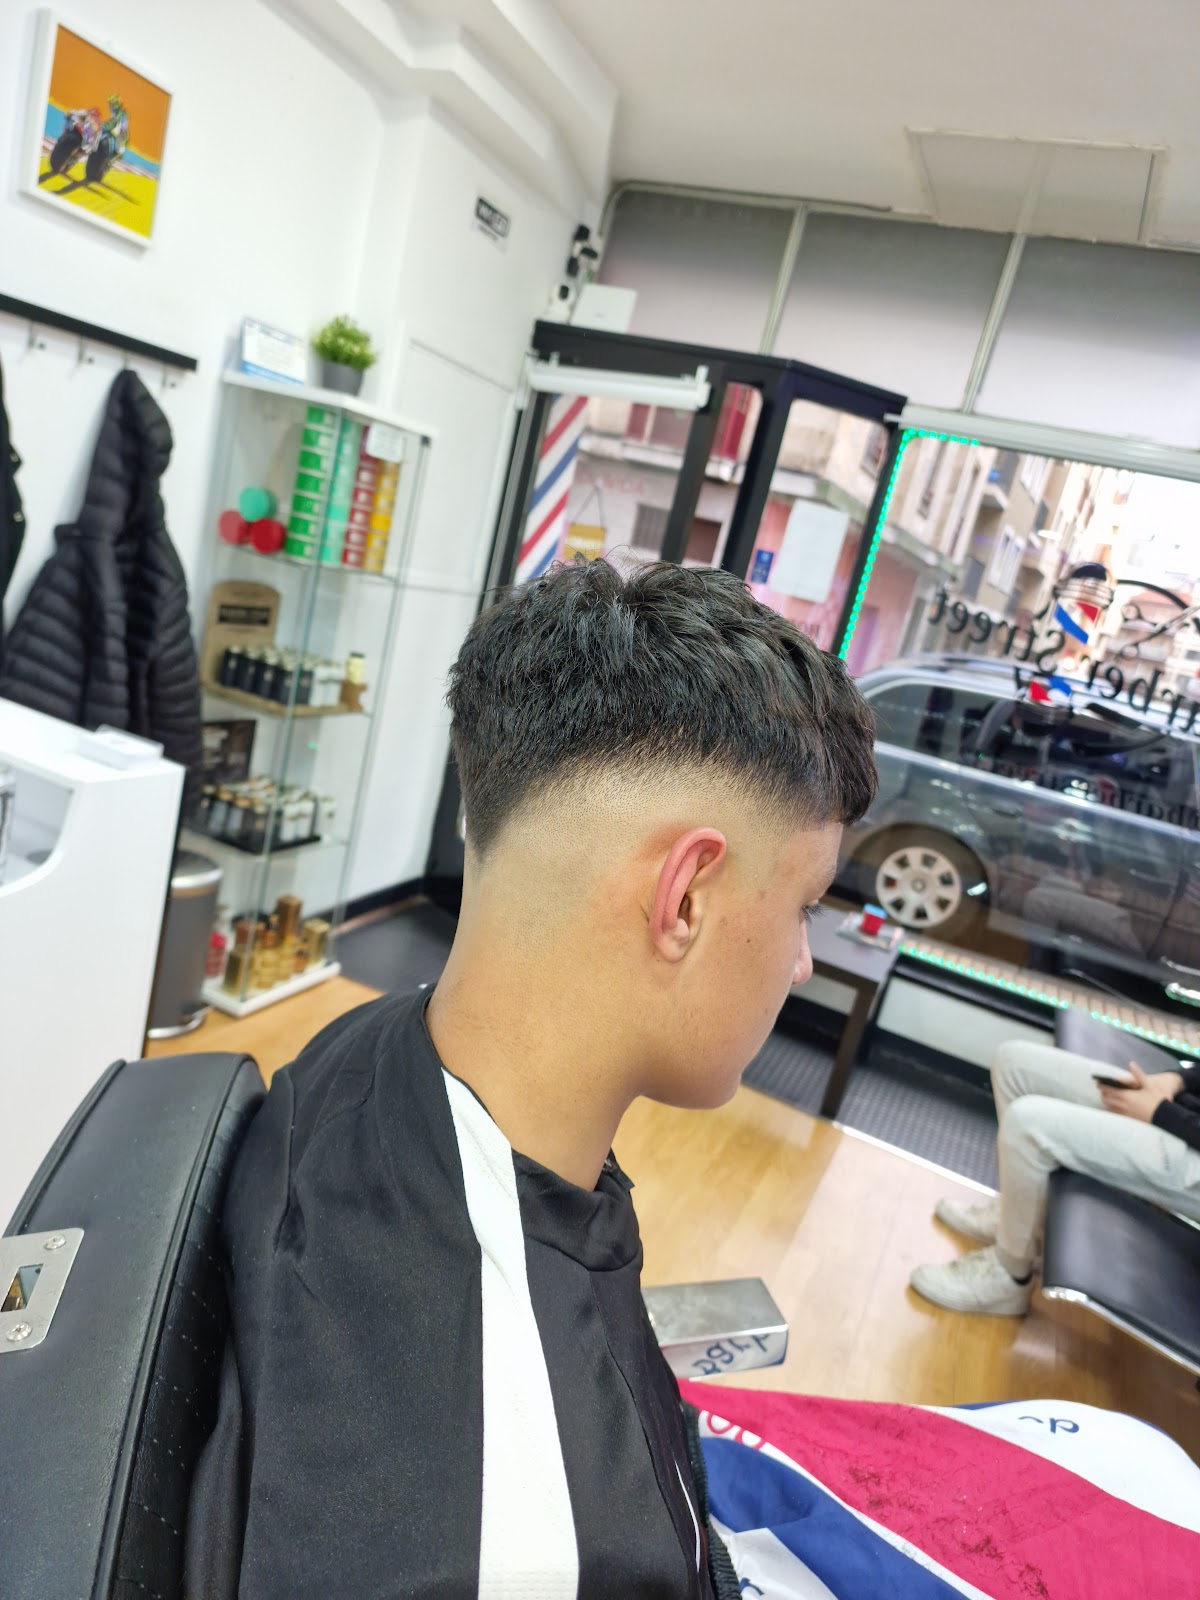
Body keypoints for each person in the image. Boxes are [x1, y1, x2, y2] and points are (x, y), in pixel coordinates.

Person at [184, 558, 878, 1598]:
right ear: (685, 897)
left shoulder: (364, 1044)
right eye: (806, 905)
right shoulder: (538, 1543)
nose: (802, 962)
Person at [911, 1040, 1200, 1315]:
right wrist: (1175, 1081)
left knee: (1027, 1125)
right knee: (1013, 1064)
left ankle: (1009, 1277)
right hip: (1183, 1110)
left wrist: (1160, 1113)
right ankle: (1019, 1225)